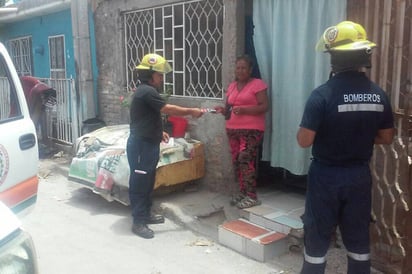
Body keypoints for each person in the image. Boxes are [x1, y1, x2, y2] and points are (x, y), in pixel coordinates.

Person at [296, 21, 395, 274]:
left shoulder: (322, 95)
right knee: (358, 239)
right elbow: (386, 137)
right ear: (364, 56)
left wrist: (333, 133)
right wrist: (357, 137)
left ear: (334, 59)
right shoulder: (378, 94)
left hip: (326, 176)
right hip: (359, 176)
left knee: (317, 236)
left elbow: (304, 140)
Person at [127, 53, 203, 239]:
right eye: (159, 75)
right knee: (140, 182)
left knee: (148, 180)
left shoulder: (146, 92)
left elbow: (145, 116)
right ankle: (138, 221)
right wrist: (191, 111)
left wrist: (158, 132)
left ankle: (145, 214)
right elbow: (167, 109)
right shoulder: (147, 91)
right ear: (150, 74)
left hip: (148, 143)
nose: (161, 78)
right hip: (141, 145)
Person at [214, 55, 269, 209]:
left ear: (250, 70)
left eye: (244, 67)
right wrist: (222, 110)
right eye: (238, 67)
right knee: (237, 161)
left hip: (251, 130)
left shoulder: (258, 84)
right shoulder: (232, 86)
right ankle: (243, 193)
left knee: (245, 158)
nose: (240, 70)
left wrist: (244, 109)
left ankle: (251, 196)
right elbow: (229, 110)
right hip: (233, 130)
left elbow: (264, 106)